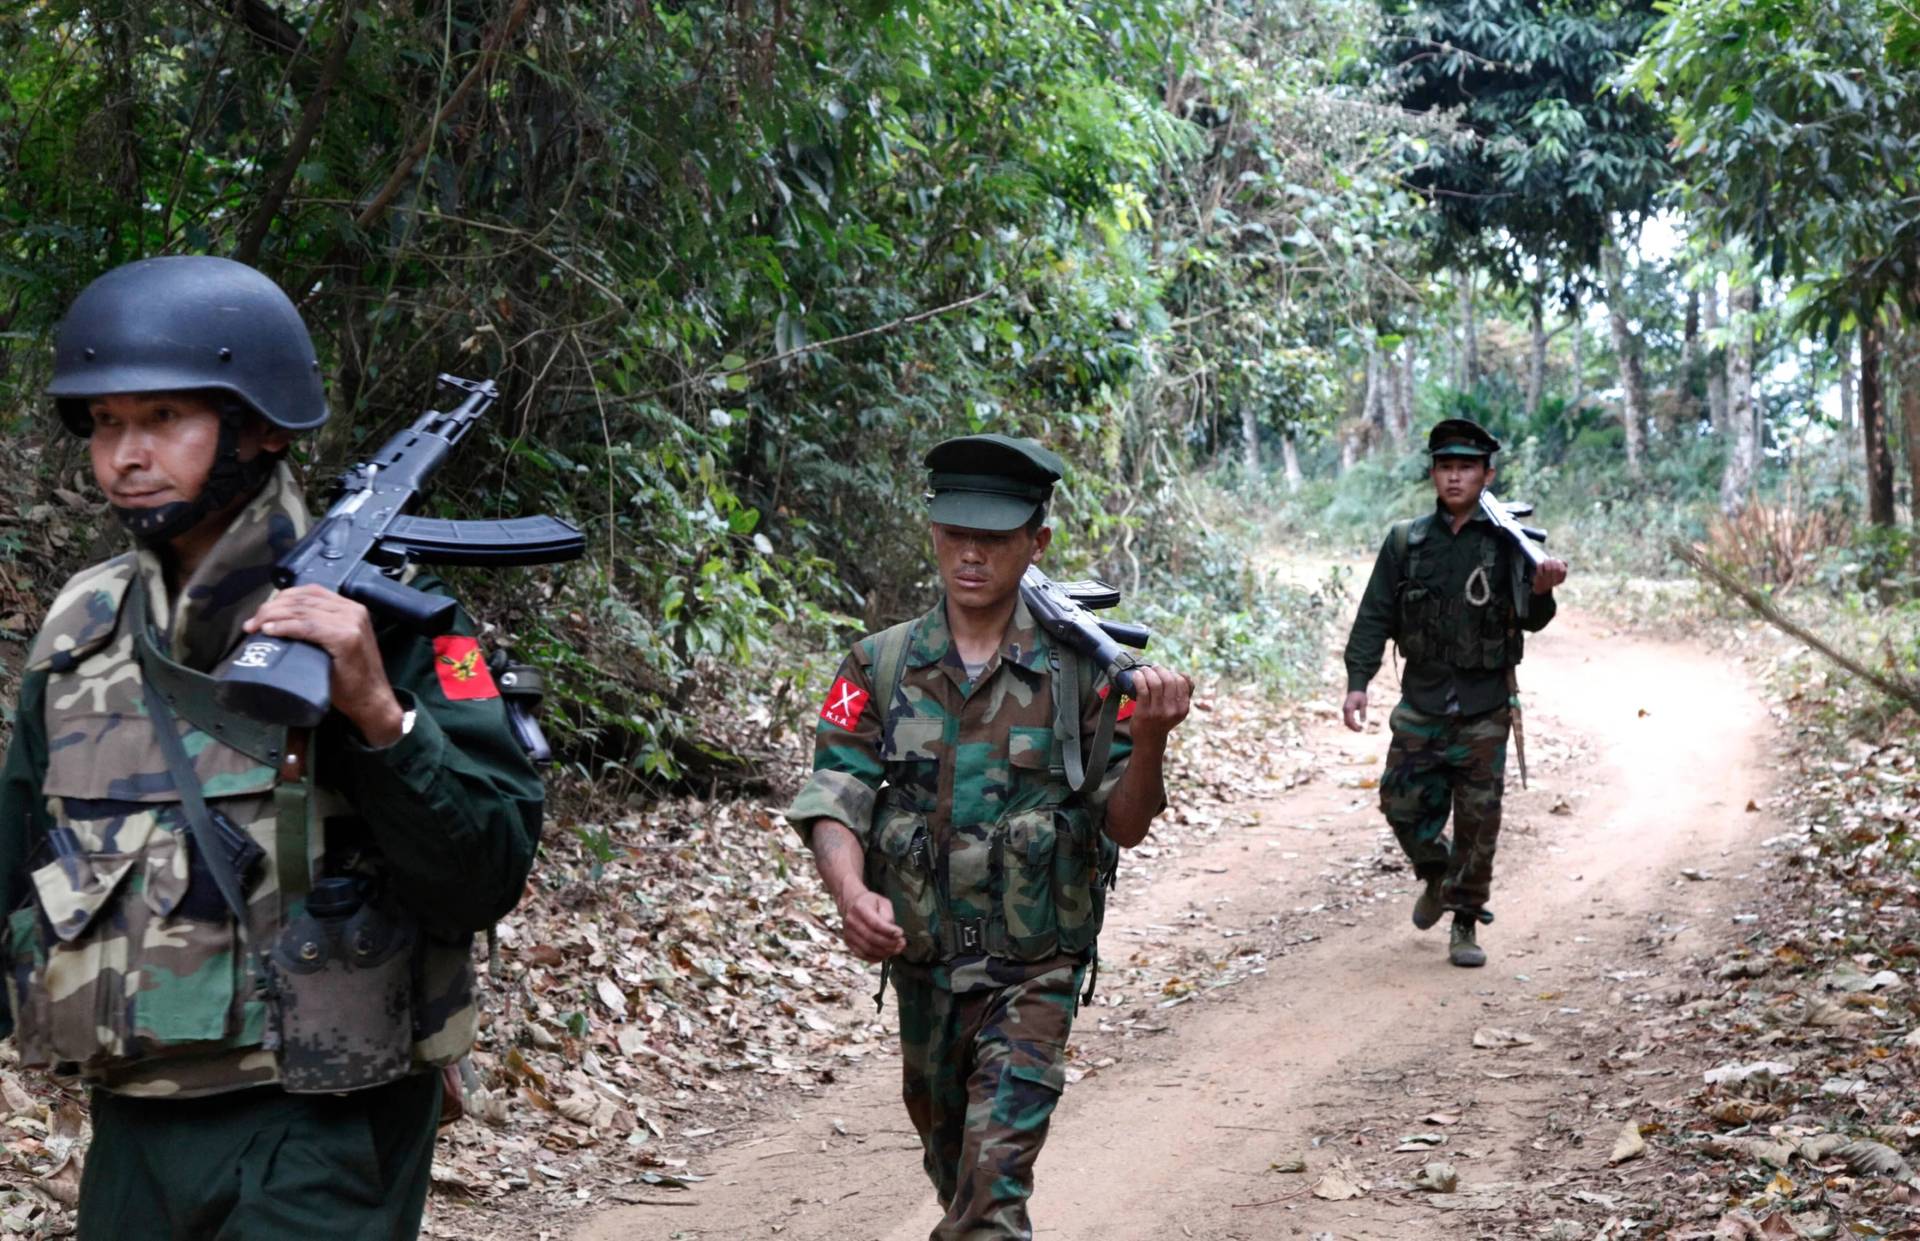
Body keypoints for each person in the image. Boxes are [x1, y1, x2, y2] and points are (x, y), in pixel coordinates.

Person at [0, 255, 544, 1239]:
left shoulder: (391, 622)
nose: (128, 453)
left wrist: (379, 711)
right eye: (108, 422)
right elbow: (16, 858)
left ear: (260, 427)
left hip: (322, 1117)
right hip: (131, 1120)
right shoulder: (80, 628)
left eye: (164, 418)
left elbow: (485, 871)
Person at [785, 434, 1192, 1240]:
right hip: (926, 972)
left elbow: (1127, 823)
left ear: (1036, 541)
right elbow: (834, 788)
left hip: (1033, 970)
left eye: (996, 537)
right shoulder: (877, 664)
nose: (971, 553)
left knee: (991, 1197)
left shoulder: (1085, 672)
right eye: (955, 531)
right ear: (931, 531)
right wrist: (850, 889)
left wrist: (1149, 741)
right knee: (958, 1180)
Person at [1340, 418, 1568, 968]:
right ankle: (1437, 874)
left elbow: (1533, 618)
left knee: (1478, 820)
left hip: (1485, 705)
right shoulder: (1407, 541)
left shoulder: (1510, 542)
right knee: (1399, 802)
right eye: (1446, 467)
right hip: (1422, 700)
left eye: (1467, 467)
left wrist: (1543, 591)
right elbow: (1375, 614)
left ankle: (1465, 921)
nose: (1455, 477)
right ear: (1433, 475)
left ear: (1487, 474)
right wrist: (1358, 681)